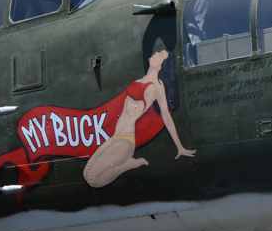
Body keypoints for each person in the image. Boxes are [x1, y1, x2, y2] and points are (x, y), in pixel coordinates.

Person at [83, 48, 196, 188]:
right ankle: (129, 163)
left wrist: (180, 147)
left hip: (125, 141)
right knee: (86, 174)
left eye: (160, 55)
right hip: (114, 137)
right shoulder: (140, 80)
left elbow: (166, 116)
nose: (155, 53)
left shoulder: (156, 87)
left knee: (93, 180)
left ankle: (132, 163)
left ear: (162, 64)